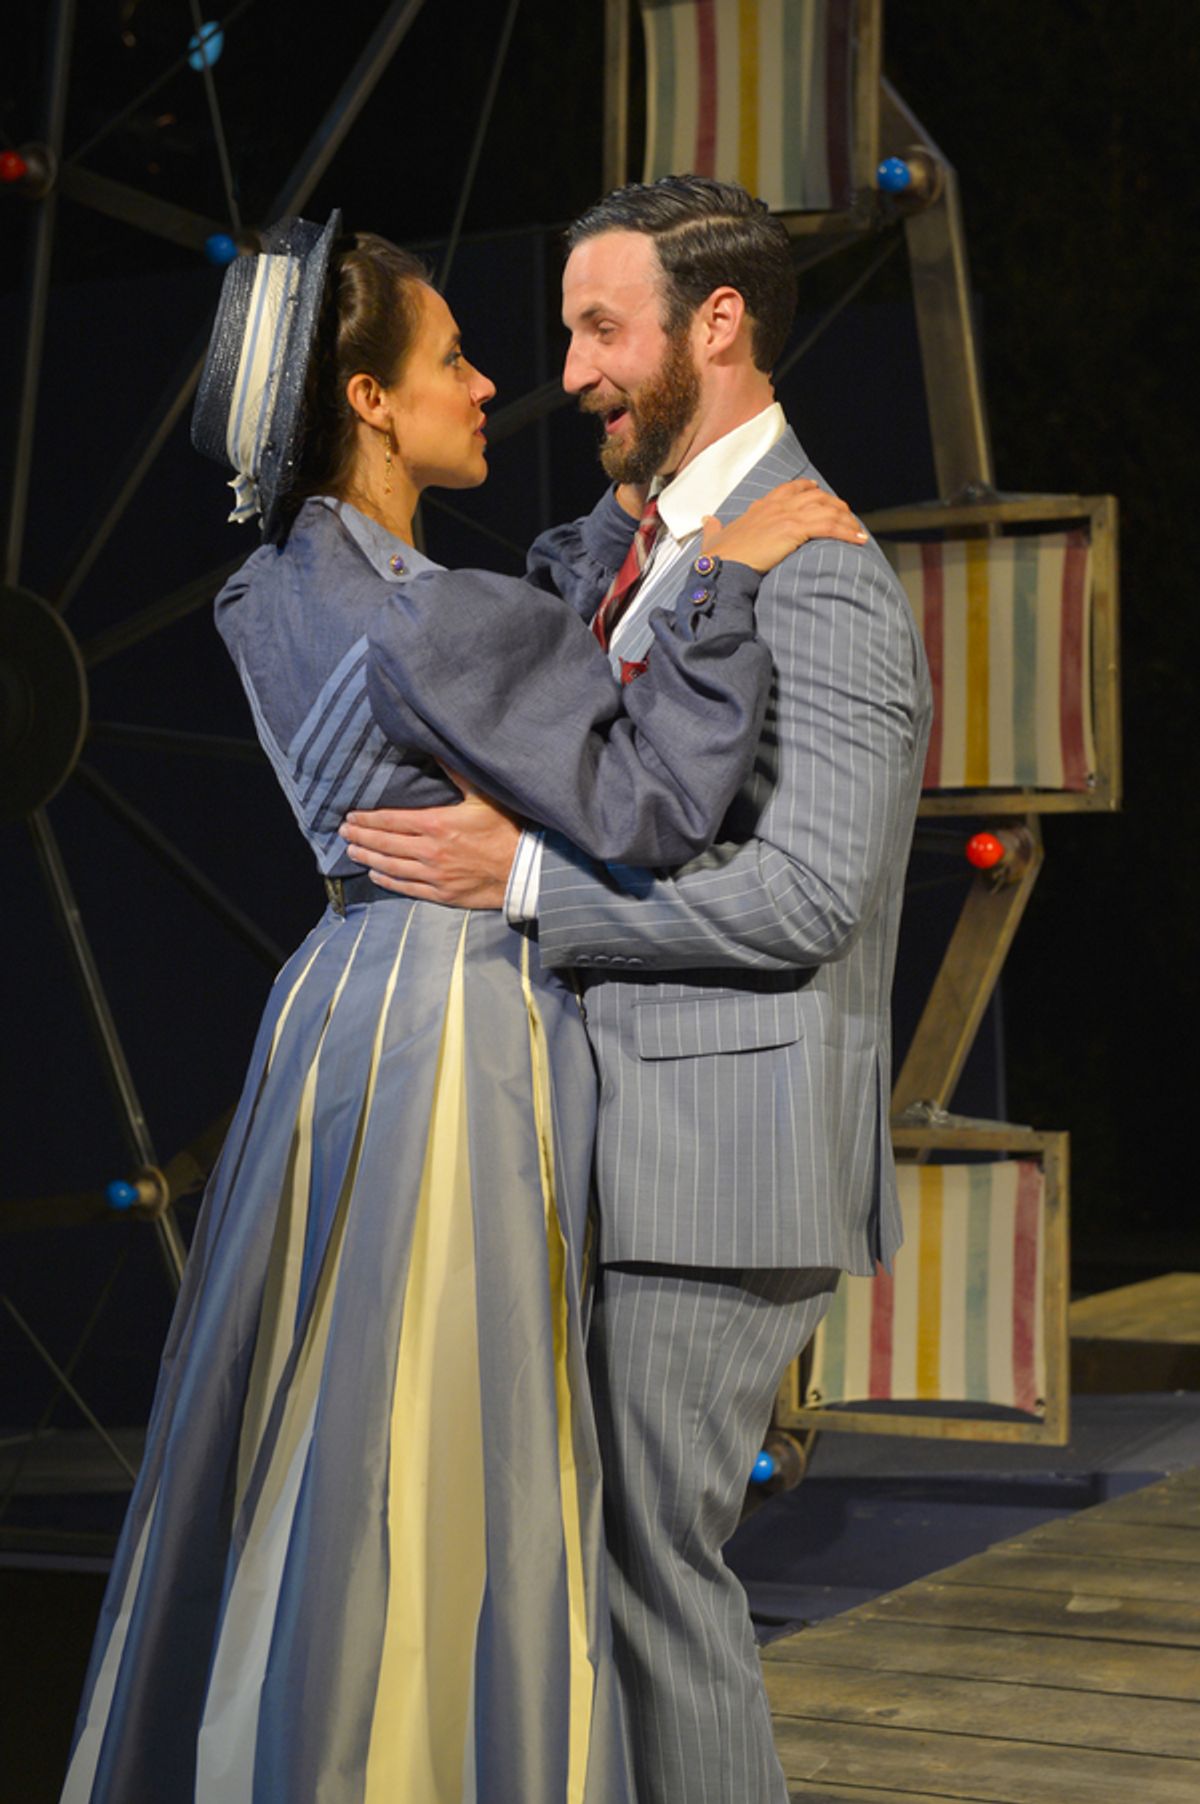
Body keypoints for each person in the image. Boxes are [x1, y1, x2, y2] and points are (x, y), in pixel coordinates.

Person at [60, 213, 868, 1804]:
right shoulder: (451, 624)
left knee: (316, 1425)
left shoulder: (275, 591)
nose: (493, 382)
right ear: (365, 400)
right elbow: (650, 804)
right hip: (459, 1026)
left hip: (334, 1007)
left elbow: (521, 641)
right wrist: (726, 577)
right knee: (454, 1439)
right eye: (451, 360)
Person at [341, 176, 934, 1804]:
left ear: (717, 325)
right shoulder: (678, 546)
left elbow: (812, 892)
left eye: (606, 330)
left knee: (651, 1578)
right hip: (622, 1149)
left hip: (717, 1176)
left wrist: (525, 886)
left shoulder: (820, 573)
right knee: (602, 1579)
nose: (577, 369)